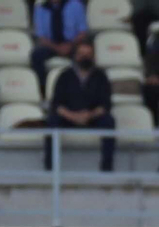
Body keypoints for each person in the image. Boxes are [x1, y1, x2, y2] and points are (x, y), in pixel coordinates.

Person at [45, 40, 114, 172]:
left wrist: (90, 115)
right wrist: (73, 116)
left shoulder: (101, 76)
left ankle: (107, 167)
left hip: (92, 117)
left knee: (109, 121)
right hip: (69, 117)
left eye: (88, 54)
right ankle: (50, 167)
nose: (85, 57)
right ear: (75, 56)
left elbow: (106, 104)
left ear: (93, 56)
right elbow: (56, 104)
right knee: (52, 121)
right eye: (81, 54)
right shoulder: (64, 76)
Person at [31, 0, 88, 86]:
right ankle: (42, 88)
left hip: (72, 44)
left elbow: (82, 32)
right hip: (51, 46)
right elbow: (41, 37)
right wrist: (57, 48)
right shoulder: (41, 9)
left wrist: (70, 45)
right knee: (36, 55)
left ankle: (81, 86)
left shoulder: (75, 5)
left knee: (84, 53)